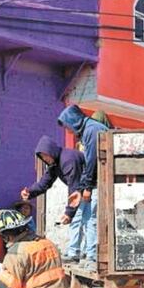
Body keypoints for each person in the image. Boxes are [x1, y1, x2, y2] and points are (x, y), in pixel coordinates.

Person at [57, 105, 110, 267]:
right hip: (96, 181)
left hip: (99, 182)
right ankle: (89, 254)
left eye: (68, 127)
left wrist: (86, 188)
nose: (70, 132)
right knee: (89, 219)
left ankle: (92, 256)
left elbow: (92, 162)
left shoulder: (91, 131)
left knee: (91, 220)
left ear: (73, 121)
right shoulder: (90, 129)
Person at [20, 136, 85, 262]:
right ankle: (76, 252)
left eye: (46, 156)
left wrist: (69, 212)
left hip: (92, 189)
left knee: (86, 221)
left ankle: (87, 255)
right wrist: (30, 192)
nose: (45, 159)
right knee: (81, 219)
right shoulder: (55, 163)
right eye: (42, 157)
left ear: (51, 151)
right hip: (81, 190)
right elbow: (45, 182)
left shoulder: (68, 160)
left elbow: (74, 187)